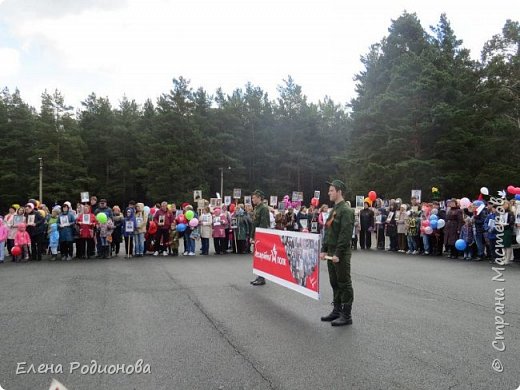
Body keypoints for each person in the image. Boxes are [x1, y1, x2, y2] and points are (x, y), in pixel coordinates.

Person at [319, 179, 355, 326]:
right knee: (334, 282)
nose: (329, 193)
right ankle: (337, 310)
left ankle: (346, 315)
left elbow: (345, 235)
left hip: (340, 253)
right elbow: (328, 231)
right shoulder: (333, 210)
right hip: (331, 251)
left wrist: (338, 254)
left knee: (344, 283)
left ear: (339, 192)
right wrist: (324, 249)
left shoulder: (346, 210)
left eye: (331, 190)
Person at [250, 189, 270, 286]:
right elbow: (254, 224)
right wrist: (252, 236)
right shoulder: (257, 208)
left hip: (261, 236)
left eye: (254, 197)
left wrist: (259, 237)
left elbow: (263, 224)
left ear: (259, 198)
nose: (252, 199)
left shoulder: (264, 208)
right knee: (257, 257)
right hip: (256, 235)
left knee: (261, 257)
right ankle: (259, 276)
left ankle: (262, 278)